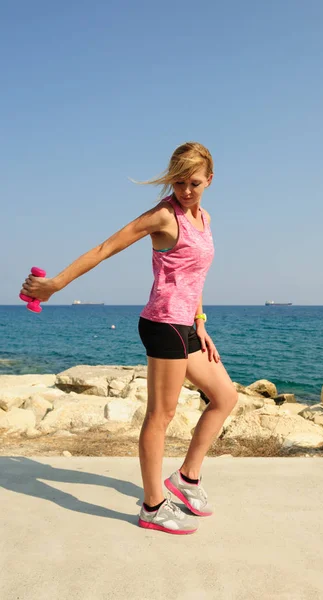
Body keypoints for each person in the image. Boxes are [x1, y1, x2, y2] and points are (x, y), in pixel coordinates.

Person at [20, 141, 238, 535]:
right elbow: (105, 248)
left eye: (193, 182)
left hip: (186, 326)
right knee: (162, 415)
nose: (185, 190)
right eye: (178, 182)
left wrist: (201, 321)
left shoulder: (204, 217)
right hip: (162, 324)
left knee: (225, 397)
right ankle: (153, 506)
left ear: (209, 179)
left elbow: (194, 275)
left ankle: (187, 479)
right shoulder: (161, 217)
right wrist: (55, 286)